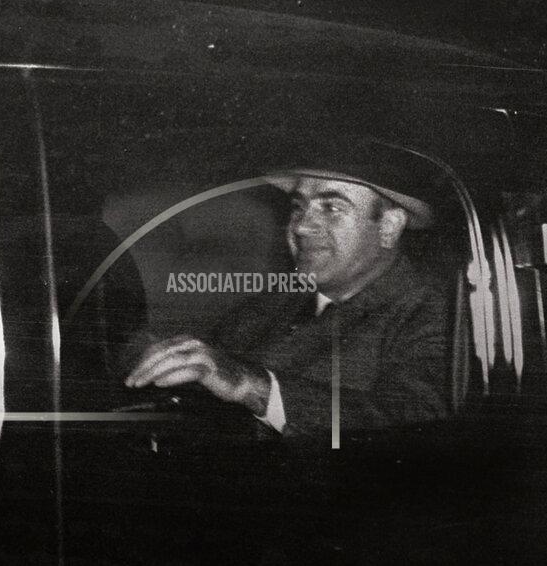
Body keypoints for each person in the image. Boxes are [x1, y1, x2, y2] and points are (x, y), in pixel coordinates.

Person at [124, 144, 450, 435]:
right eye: (298, 207)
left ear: (389, 227)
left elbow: (412, 423)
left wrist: (253, 387)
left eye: (332, 208)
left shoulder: (431, 312)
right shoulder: (281, 299)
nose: (302, 226)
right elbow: (211, 376)